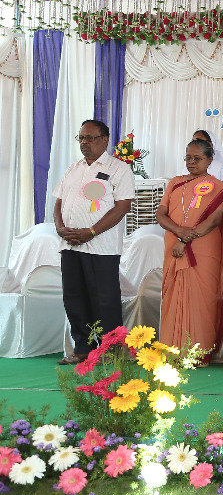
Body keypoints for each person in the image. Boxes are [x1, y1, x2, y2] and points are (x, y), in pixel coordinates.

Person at [53, 119, 135, 365]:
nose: (84, 142)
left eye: (90, 138)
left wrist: (90, 232)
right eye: (81, 138)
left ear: (105, 139)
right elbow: (58, 202)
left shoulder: (118, 169)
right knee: (74, 298)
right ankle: (83, 349)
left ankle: (112, 351)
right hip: (70, 244)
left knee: (104, 300)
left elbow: (122, 207)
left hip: (101, 247)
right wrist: (60, 228)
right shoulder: (73, 168)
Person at [156, 138, 223, 356]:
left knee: (202, 299)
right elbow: (161, 214)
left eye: (197, 158)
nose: (191, 162)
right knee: (172, 298)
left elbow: (214, 220)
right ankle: (172, 349)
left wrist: (184, 239)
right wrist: (179, 232)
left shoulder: (217, 187)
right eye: (188, 158)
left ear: (209, 160)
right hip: (174, 245)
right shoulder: (175, 183)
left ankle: (198, 352)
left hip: (203, 248)